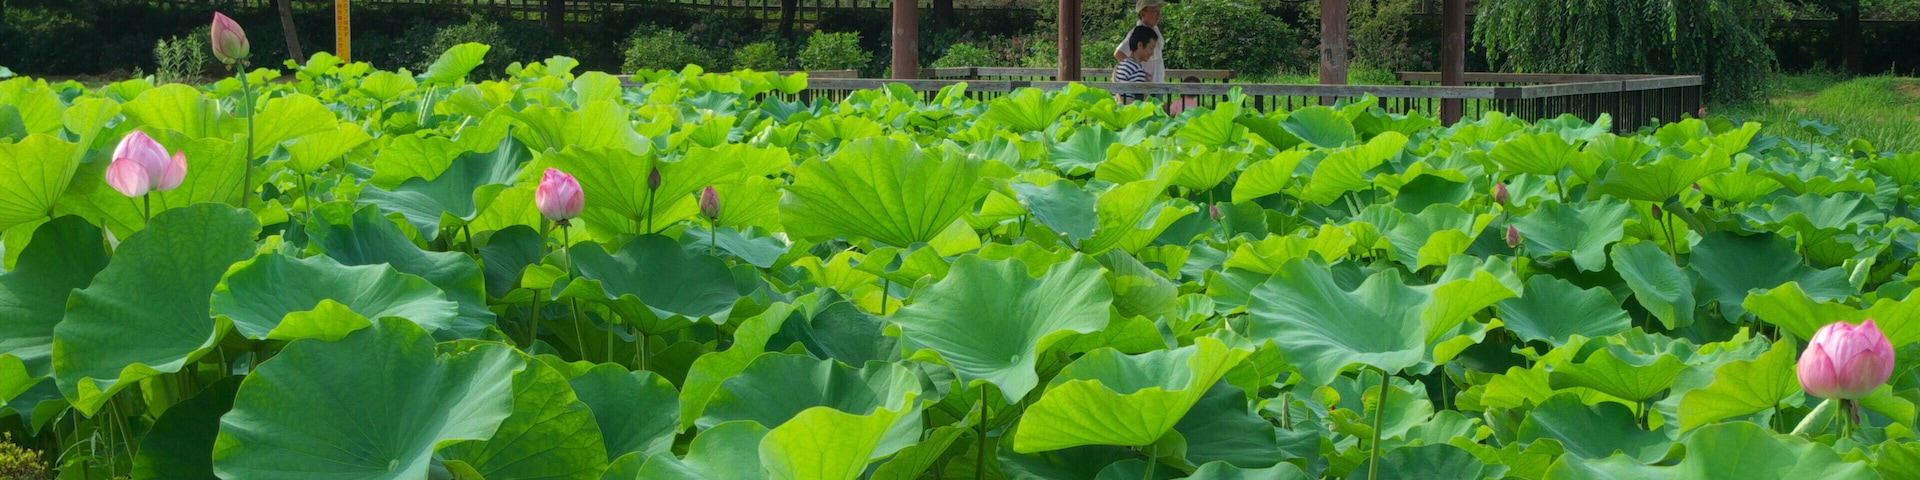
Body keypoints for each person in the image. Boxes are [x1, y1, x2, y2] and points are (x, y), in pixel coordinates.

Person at [1113, 0, 1167, 83]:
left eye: (1159, 11)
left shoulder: (1155, 30)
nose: (1158, 15)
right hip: (1143, 84)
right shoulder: (1137, 33)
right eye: (1154, 11)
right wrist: (1139, 73)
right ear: (1142, 14)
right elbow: (1118, 53)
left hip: (1156, 83)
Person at [1114, 26, 1158, 103]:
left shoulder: (1122, 64)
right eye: (1151, 48)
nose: (1152, 53)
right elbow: (1139, 98)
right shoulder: (1138, 69)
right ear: (1140, 45)